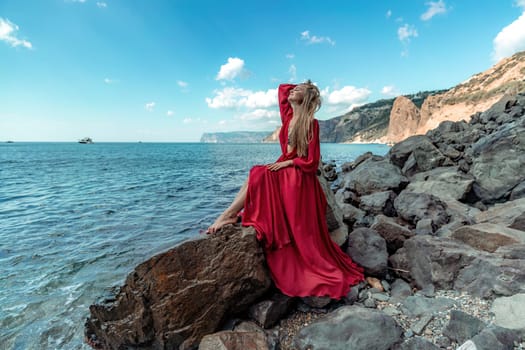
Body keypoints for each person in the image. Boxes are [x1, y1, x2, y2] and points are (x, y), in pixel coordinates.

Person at [208, 81, 364, 299]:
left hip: (299, 174)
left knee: (258, 174)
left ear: (307, 98)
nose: (292, 91)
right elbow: (282, 88)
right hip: (285, 168)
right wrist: (301, 88)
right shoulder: (289, 118)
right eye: (294, 89)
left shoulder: (311, 123)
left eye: (297, 90)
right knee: (256, 174)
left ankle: (228, 215)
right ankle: (229, 214)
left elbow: (311, 161)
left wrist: (288, 164)